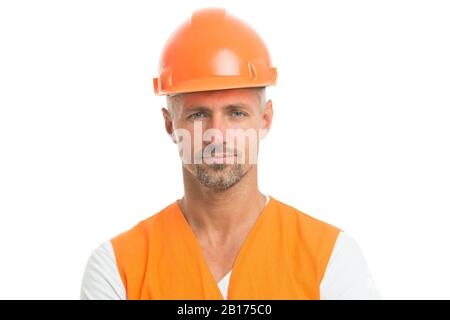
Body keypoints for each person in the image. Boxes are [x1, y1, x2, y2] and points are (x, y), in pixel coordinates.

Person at [81, 7, 380, 300]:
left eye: (236, 113)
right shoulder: (118, 268)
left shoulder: (330, 259)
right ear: (170, 125)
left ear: (265, 119)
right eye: (198, 115)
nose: (217, 134)